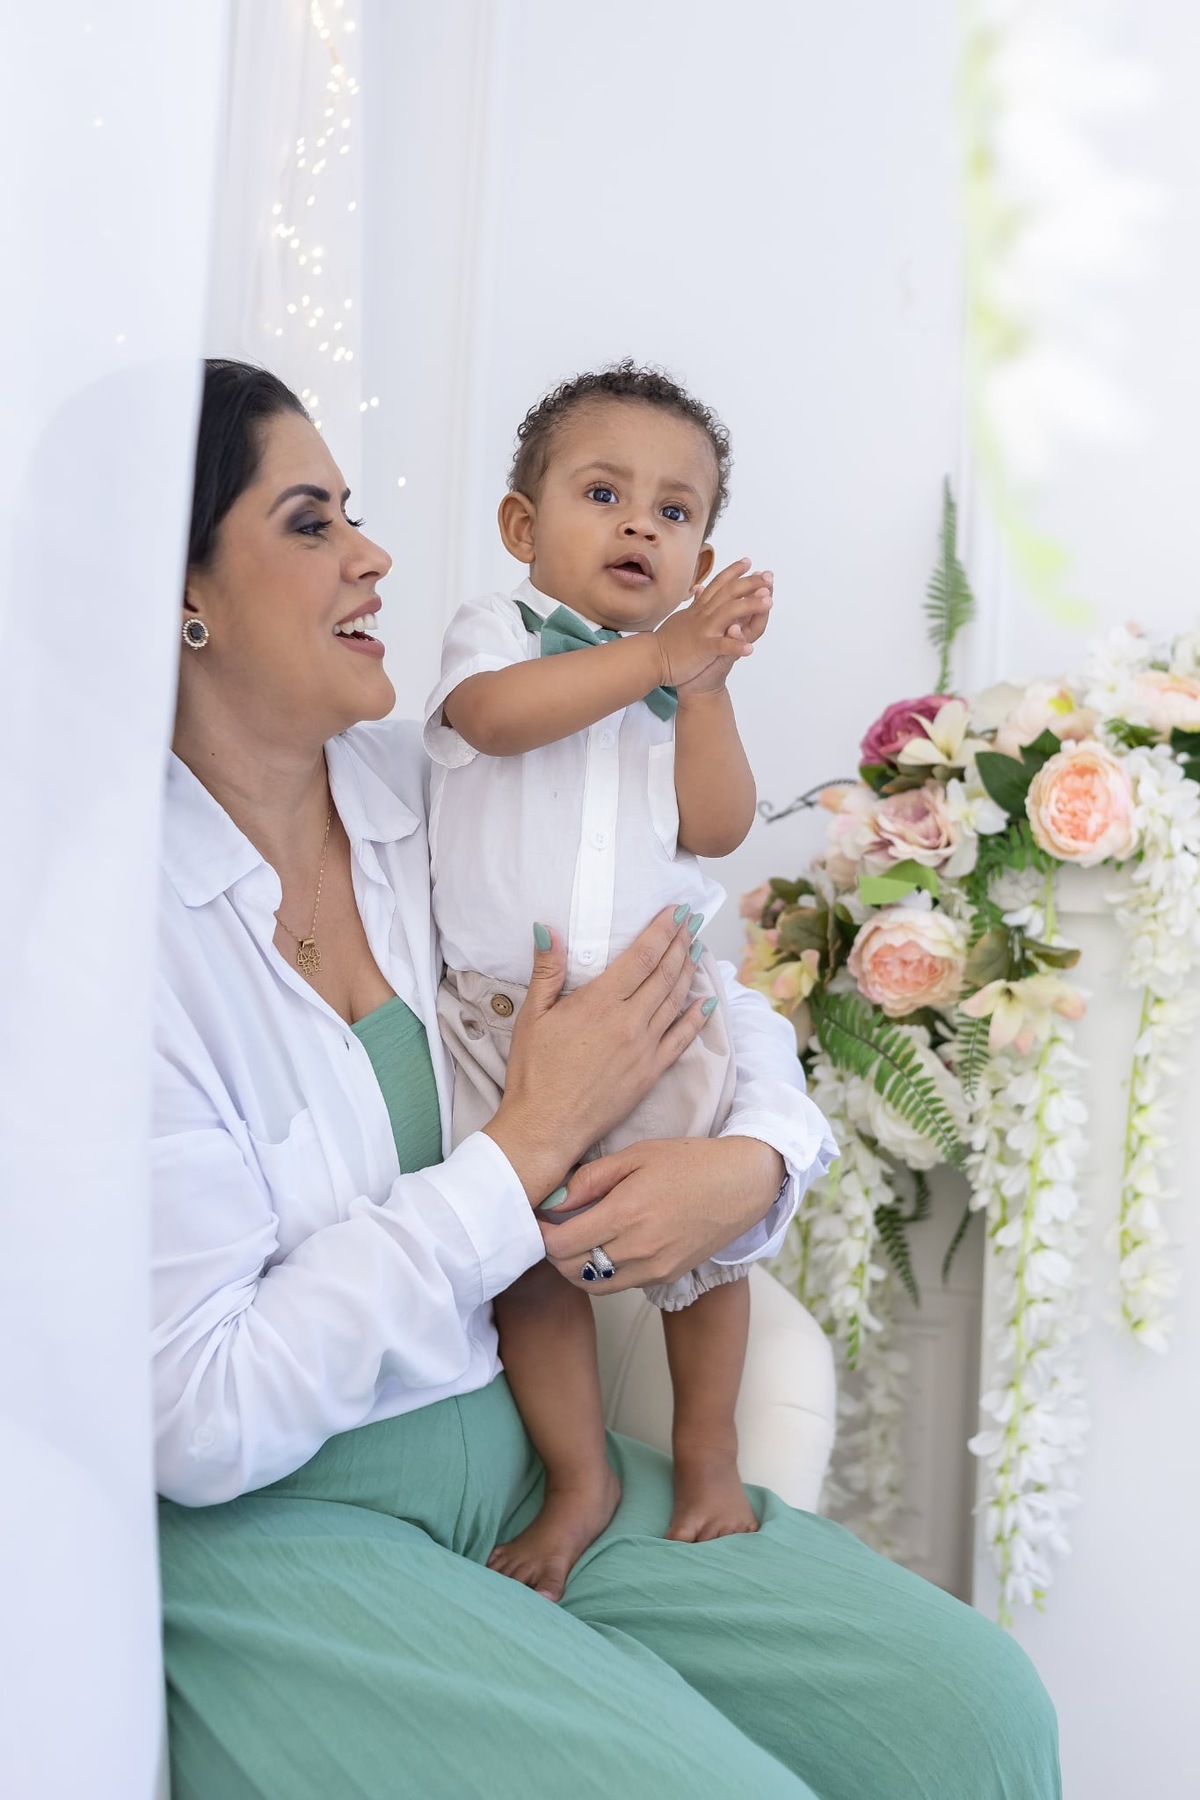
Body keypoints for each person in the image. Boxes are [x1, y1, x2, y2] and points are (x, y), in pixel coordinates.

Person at [154, 357, 1060, 1800]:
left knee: (974, 1713)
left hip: (509, 1449)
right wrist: (527, 1149)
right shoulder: (110, 941)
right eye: (313, 522)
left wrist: (757, 1156)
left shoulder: (414, 791)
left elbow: (675, 944)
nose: (375, 553)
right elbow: (197, 1413)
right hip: (282, 1514)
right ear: (178, 589)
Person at [425, 363, 787, 1600]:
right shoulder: (497, 632)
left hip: (657, 1011)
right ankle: (580, 1480)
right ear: (526, 528)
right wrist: (649, 664)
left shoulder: (681, 683)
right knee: (523, 1258)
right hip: (499, 1024)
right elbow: (492, 722)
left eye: (675, 511)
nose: (642, 522)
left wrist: (705, 691)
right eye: (603, 491)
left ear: (701, 554)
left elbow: (721, 826)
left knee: (715, 1249)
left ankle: (706, 1449)